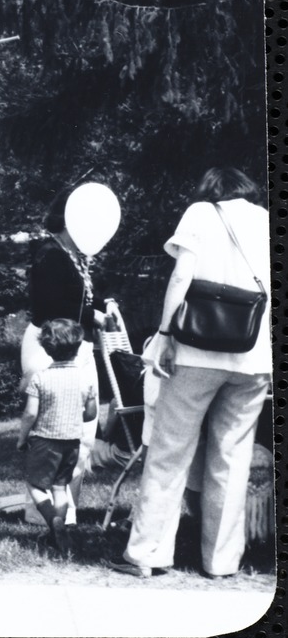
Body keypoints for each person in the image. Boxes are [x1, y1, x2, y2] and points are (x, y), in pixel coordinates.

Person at [109, 167, 270, 579]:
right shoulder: (265, 219)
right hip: (253, 359)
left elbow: (182, 274)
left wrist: (163, 334)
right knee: (232, 461)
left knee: (169, 452)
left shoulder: (201, 213)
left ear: (211, 190)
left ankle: (147, 554)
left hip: (196, 353)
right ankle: (221, 562)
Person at [22, 187, 114, 524]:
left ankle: (67, 508)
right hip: (51, 348)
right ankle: (40, 511)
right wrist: (94, 317)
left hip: (79, 346)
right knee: (49, 432)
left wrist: (108, 304)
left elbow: (89, 295)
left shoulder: (76, 255)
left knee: (83, 432)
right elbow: (52, 306)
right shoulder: (50, 254)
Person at [17, 319, 98, 555]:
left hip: (44, 441)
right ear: (78, 346)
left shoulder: (40, 378)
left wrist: (22, 439)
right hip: (72, 442)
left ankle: (52, 519)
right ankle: (58, 531)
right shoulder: (85, 380)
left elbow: (30, 413)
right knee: (60, 486)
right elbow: (91, 414)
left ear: (46, 348)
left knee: (35, 484)